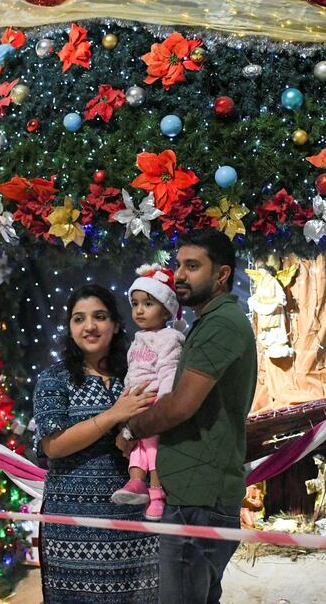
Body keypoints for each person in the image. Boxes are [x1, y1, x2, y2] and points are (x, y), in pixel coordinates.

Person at [118, 228, 258, 603]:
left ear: (222, 274)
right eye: (178, 265)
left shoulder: (222, 323)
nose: (179, 274)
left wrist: (131, 428)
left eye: (192, 266)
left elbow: (181, 405)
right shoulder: (205, 323)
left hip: (199, 496)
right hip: (192, 491)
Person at [33, 284, 159, 603]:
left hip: (135, 519)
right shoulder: (55, 378)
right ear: (70, 328)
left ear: (116, 325)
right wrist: (114, 414)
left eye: (99, 317)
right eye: (79, 319)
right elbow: (53, 446)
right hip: (72, 523)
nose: (89, 326)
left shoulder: (136, 375)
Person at [111, 264, 186, 520]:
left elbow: (169, 371)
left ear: (166, 310)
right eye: (135, 303)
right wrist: (124, 399)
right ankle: (136, 483)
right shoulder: (138, 339)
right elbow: (132, 373)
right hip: (135, 404)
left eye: (148, 304)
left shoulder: (169, 338)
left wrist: (164, 402)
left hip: (154, 403)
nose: (139, 310)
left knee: (152, 445)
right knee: (136, 447)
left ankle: (156, 493)